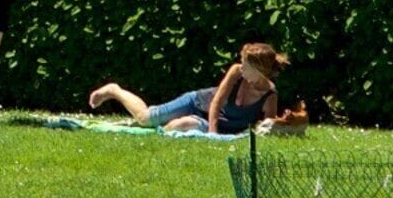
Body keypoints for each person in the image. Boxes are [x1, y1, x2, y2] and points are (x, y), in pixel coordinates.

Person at [88, 42, 289, 135]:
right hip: (197, 102)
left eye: (246, 66)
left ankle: (164, 126)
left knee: (180, 125)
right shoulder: (236, 72)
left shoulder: (269, 96)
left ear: (259, 70)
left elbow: (267, 127)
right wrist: (213, 133)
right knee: (145, 118)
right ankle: (114, 90)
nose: (241, 67)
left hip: (206, 121)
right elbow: (216, 102)